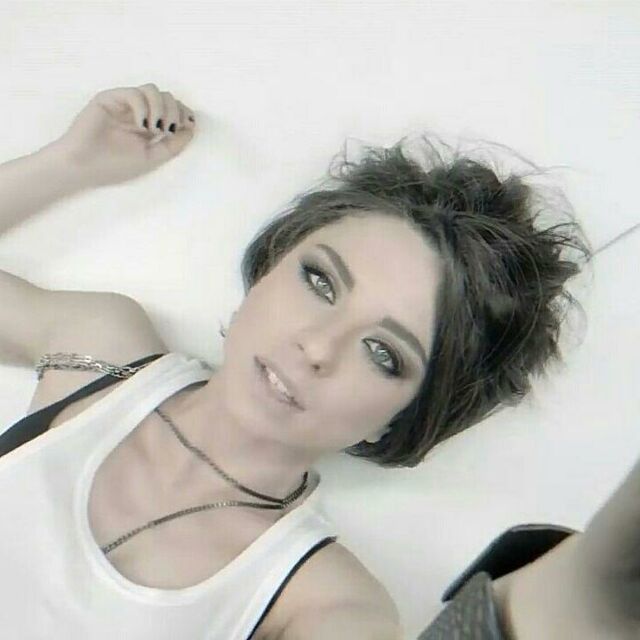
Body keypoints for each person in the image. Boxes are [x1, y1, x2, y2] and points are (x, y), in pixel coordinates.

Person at [0, 83, 637, 639]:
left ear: (397, 420)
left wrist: (589, 593)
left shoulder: (324, 602)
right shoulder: (98, 355)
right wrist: (70, 163)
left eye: (383, 353)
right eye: (321, 282)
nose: (318, 345)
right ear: (267, 270)